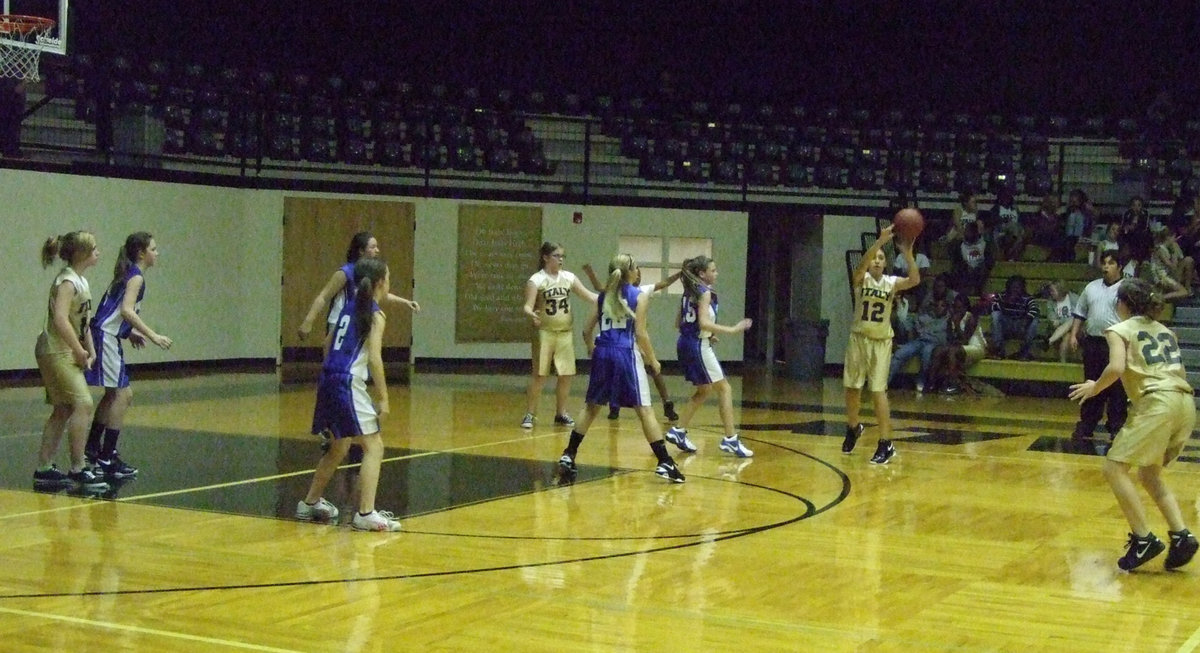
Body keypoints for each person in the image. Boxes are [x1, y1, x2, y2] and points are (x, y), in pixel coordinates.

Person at [1068, 278, 1198, 571]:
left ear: (1121, 304)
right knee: (1150, 474)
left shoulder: (1119, 329)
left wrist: (1094, 387)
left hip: (1158, 403)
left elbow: (1116, 368)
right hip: (1185, 402)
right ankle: (1181, 535)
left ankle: (1144, 539)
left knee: (1113, 467)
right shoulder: (1166, 331)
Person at [556, 253, 686, 484]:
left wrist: (590, 348)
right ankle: (665, 461)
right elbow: (640, 333)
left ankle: (569, 453)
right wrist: (653, 360)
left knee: (591, 407)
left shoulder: (603, 296)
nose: (638, 271)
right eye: (636, 267)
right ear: (630, 272)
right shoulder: (639, 296)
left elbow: (586, 331)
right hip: (625, 353)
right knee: (644, 409)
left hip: (603, 351)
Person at [297, 257, 402, 531]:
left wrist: (332, 369)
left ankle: (310, 503)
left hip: (329, 377)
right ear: (381, 283)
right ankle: (366, 514)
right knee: (374, 446)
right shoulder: (375, 314)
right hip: (347, 382)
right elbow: (375, 360)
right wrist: (384, 398)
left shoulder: (347, 308)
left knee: (340, 445)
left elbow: (327, 342)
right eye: (388, 277)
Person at [297, 231, 420, 452]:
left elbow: (381, 295)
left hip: (355, 325)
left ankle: (344, 418)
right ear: (361, 251)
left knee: (347, 375)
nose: (377, 250)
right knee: (337, 374)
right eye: (372, 247)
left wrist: (405, 302)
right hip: (340, 325)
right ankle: (333, 419)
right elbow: (323, 296)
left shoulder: (370, 276)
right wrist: (308, 320)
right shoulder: (345, 273)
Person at [83, 232, 174, 480]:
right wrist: (153, 335)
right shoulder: (136, 277)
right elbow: (125, 310)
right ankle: (106, 455)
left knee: (113, 393)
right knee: (124, 394)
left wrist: (129, 332)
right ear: (142, 253)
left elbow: (112, 312)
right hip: (105, 337)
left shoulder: (128, 274)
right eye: (154, 249)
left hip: (105, 334)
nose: (157, 253)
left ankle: (93, 448)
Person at [33, 232, 108, 491]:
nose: (98, 252)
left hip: (65, 349)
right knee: (83, 403)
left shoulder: (81, 281)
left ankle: (44, 467)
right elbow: (61, 320)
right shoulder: (66, 281)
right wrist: (77, 349)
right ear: (81, 254)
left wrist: (90, 348)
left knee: (64, 408)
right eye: (94, 248)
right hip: (55, 349)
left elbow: (81, 321)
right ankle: (78, 467)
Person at [842, 224, 920, 464]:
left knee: (877, 391)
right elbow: (860, 268)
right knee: (852, 389)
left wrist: (907, 254)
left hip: (881, 342)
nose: (876, 260)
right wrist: (878, 242)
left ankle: (886, 442)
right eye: (874, 257)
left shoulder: (891, 282)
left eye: (881, 258)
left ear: (885, 264)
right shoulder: (861, 279)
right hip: (858, 338)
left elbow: (915, 280)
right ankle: (854, 427)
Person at [663, 255, 754, 458]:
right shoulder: (703, 293)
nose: (716, 273)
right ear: (702, 274)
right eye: (713, 270)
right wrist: (732, 329)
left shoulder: (689, 293)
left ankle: (678, 431)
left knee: (704, 390)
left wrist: (709, 335)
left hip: (686, 343)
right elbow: (703, 323)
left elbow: (679, 323)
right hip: (696, 345)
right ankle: (730, 439)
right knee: (724, 388)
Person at [582, 262, 681, 421]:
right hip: (625, 341)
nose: (638, 275)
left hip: (632, 339)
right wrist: (590, 273)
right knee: (623, 372)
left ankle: (666, 403)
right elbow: (599, 288)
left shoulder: (641, 291)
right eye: (636, 271)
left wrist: (679, 274)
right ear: (628, 274)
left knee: (654, 370)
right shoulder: (614, 293)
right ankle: (615, 407)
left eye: (640, 273)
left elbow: (665, 282)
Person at [521, 242, 598, 429]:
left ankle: (561, 413)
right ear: (546, 258)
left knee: (566, 374)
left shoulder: (569, 277)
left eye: (563, 256)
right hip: (544, 333)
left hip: (565, 333)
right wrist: (530, 313)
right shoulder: (536, 280)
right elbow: (527, 305)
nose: (561, 259)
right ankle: (530, 414)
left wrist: (609, 298)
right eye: (557, 255)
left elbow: (590, 296)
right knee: (540, 375)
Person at [1068, 251, 1126, 440]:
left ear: (1120, 267)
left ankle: (1116, 426)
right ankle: (1087, 424)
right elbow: (1080, 312)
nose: (1105, 267)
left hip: (1117, 344)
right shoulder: (1091, 287)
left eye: (1110, 263)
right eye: (1104, 263)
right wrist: (1074, 334)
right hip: (1093, 342)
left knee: (1117, 387)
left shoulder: (1127, 288)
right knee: (1090, 384)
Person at [887, 295, 949, 392]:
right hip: (919, 341)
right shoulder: (924, 317)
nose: (939, 308)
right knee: (900, 354)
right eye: (936, 305)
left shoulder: (949, 319)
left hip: (934, 344)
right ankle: (885, 382)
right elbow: (911, 328)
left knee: (927, 354)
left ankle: (921, 381)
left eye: (942, 306)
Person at [929, 294, 986, 394]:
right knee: (938, 350)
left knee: (952, 351)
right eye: (955, 307)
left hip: (976, 347)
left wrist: (957, 325)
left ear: (965, 307)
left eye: (959, 307)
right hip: (959, 347)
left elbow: (965, 340)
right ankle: (931, 383)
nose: (957, 310)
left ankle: (953, 384)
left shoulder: (970, 318)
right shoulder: (950, 319)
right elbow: (950, 339)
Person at [989, 275, 1040, 360]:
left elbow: (1035, 309)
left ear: (1023, 288)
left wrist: (1026, 319)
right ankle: (998, 349)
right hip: (1006, 327)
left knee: (1034, 320)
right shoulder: (1002, 296)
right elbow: (992, 307)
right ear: (1008, 287)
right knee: (995, 314)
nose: (1015, 289)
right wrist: (1005, 303)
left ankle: (1024, 351)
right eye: (1013, 287)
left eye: (1018, 287)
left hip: (1021, 326)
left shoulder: (1028, 298)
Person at [1044, 280, 1079, 363]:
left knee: (1072, 320)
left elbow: (1078, 317)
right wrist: (1063, 323)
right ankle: (1063, 363)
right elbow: (1052, 321)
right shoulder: (1050, 303)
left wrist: (1061, 321)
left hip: (1077, 329)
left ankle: (1049, 341)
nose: (1051, 293)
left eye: (1053, 291)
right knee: (1067, 336)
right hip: (1057, 330)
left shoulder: (1074, 299)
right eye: (1050, 291)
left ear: (1060, 290)